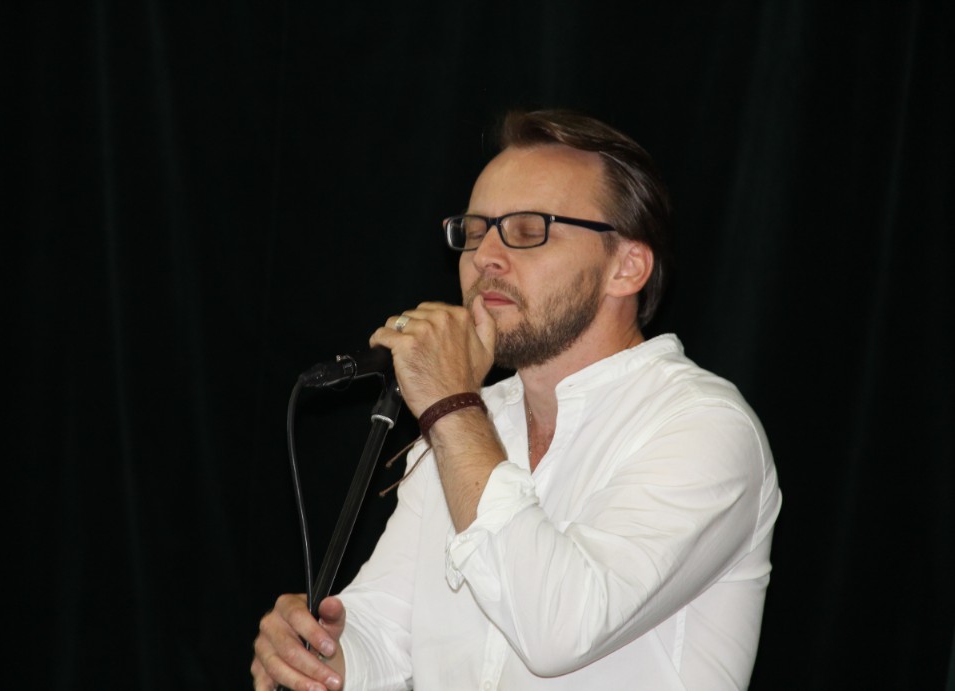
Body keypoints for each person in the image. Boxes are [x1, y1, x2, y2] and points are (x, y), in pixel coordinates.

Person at [252, 109, 782, 691]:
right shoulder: (463, 423)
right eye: (475, 231)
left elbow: (559, 630)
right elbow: (383, 634)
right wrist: (319, 657)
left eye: (529, 230)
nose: (485, 257)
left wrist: (452, 407)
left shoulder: (703, 426)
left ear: (627, 267)